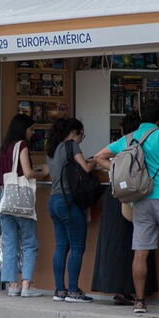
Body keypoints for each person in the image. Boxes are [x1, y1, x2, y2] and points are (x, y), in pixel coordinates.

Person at [94, 100, 159, 314]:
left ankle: (139, 301)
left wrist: (118, 172)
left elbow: (99, 157)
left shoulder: (129, 138)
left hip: (139, 199)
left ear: (140, 116)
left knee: (141, 250)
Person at [91, 112, 158, 304]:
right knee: (136, 243)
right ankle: (133, 290)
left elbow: (98, 158)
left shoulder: (120, 144)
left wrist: (114, 168)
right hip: (136, 196)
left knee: (116, 243)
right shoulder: (143, 145)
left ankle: (117, 287)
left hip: (115, 195)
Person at [46, 117, 95, 303]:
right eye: (82, 134)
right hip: (68, 202)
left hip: (54, 201)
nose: (82, 138)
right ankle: (73, 290)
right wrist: (96, 160)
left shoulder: (52, 148)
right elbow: (86, 168)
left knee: (61, 247)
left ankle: (60, 290)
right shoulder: (71, 146)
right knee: (77, 247)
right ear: (74, 132)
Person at [0, 114, 45, 297]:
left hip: (5, 200)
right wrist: (43, 172)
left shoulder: (3, 149)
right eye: (31, 129)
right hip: (22, 202)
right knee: (29, 242)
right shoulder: (21, 145)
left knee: (9, 243)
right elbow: (28, 173)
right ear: (23, 129)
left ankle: (12, 285)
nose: (33, 133)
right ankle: (27, 285)